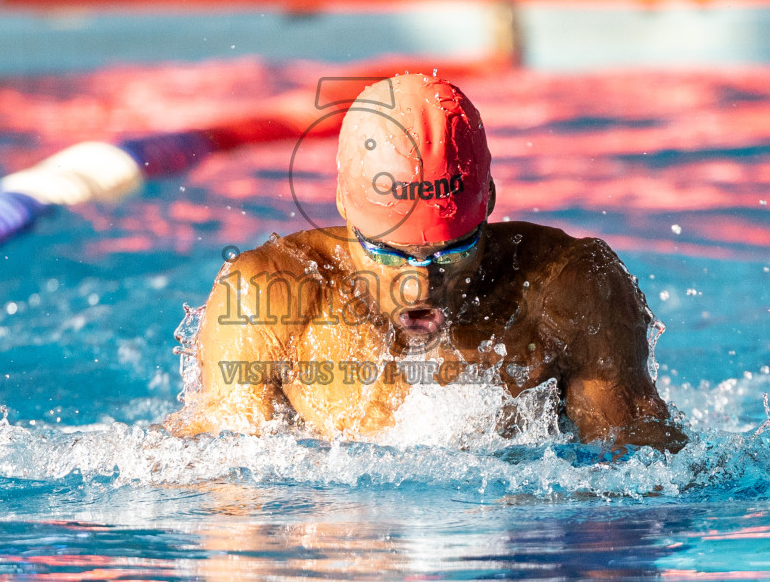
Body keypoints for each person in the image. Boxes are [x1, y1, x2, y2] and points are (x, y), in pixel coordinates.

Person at [162, 73, 686, 455]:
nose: (419, 287)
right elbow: (223, 499)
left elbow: (640, 480)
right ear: (343, 205)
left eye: (451, 252)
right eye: (386, 252)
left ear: (490, 204)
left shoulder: (569, 286)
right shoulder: (269, 297)